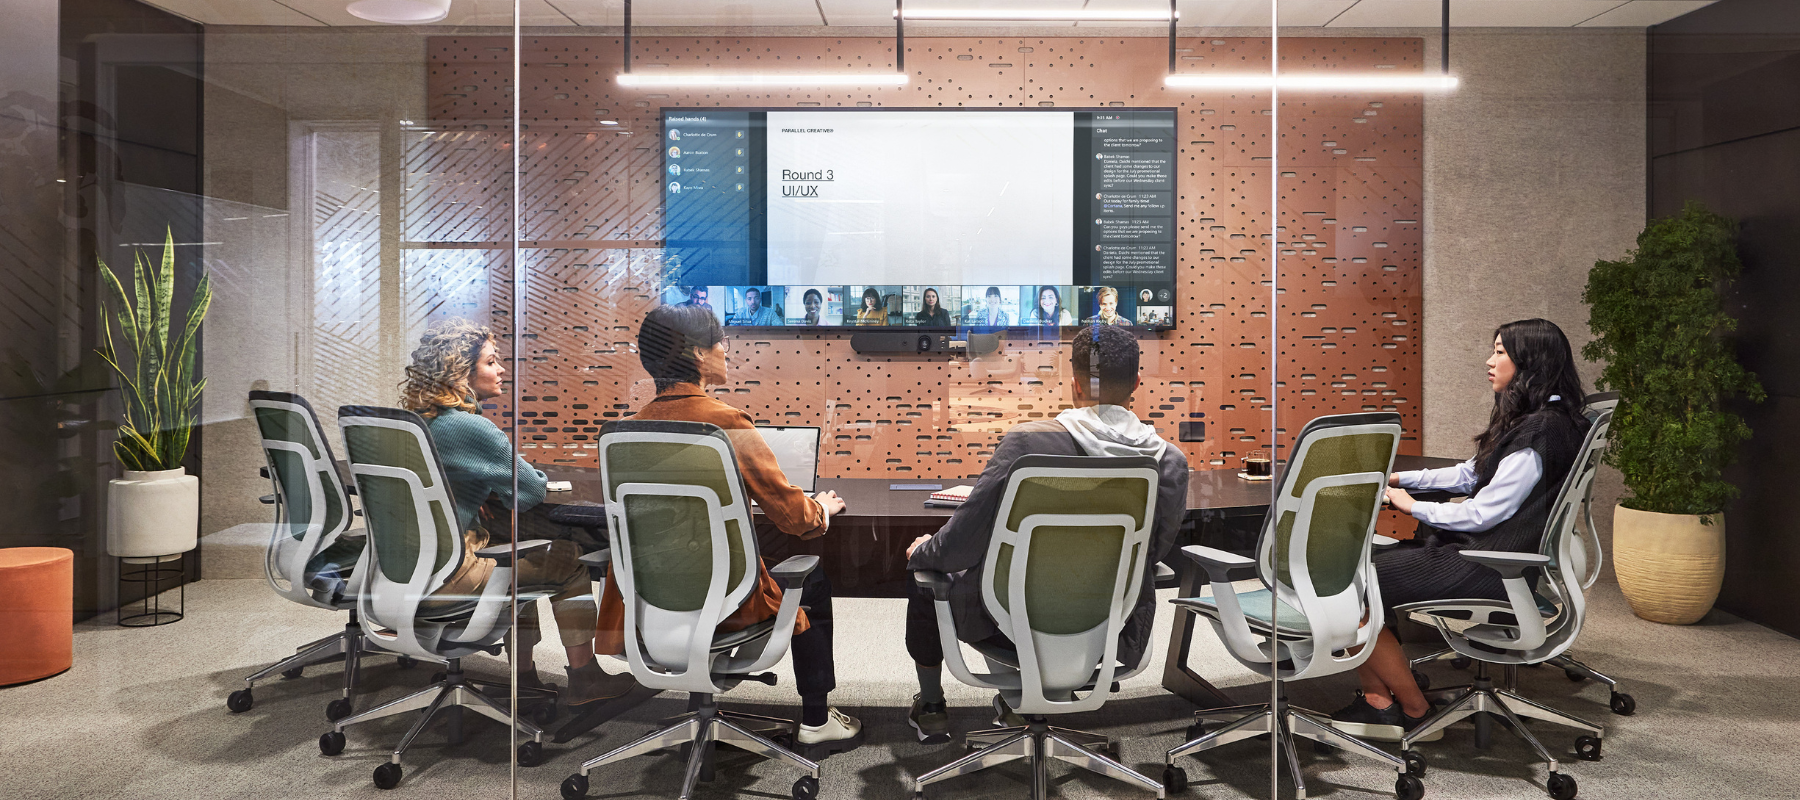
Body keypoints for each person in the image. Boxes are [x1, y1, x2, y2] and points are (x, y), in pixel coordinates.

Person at [594, 304, 863, 756]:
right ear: (699, 354)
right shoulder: (725, 423)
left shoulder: (628, 431)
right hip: (726, 606)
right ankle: (817, 720)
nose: (726, 350)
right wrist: (821, 508)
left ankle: (702, 710)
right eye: (720, 342)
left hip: (648, 608)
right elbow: (795, 521)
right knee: (810, 577)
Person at [902, 325, 1189, 743]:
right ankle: (1020, 703)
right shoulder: (1170, 462)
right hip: (1108, 624)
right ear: (1136, 386)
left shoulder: (1028, 443)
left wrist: (922, 551)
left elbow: (959, 546)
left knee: (928, 575)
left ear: (1074, 384)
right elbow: (1153, 550)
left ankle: (931, 708)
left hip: (1004, 621)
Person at [1329, 318, 1589, 742]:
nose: (1490, 361)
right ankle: (1380, 699)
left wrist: (1411, 506)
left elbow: (1483, 513)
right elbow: (1471, 475)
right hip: (1489, 556)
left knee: (1343, 580)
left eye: (1501, 352)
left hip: (1484, 563)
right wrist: (1399, 480)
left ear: (1530, 363)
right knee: (1357, 566)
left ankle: (1411, 710)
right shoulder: (1542, 419)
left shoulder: (1542, 430)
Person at [397, 320, 631, 708]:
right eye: (492, 362)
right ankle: (585, 678)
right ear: (461, 372)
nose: (502, 369)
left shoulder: (418, 424)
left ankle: (523, 675)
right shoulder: (470, 428)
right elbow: (529, 491)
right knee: (566, 560)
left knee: (514, 549)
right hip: (450, 576)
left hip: (401, 572)